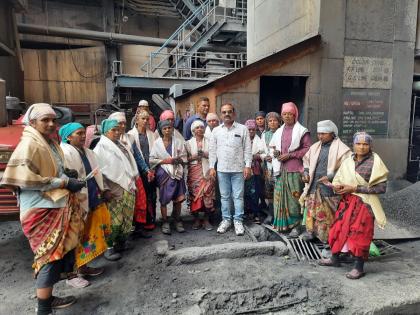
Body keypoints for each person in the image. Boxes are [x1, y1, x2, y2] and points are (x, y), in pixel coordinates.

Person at [0, 103, 86, 315]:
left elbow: (52, 169)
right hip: (40, 210)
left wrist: (66, 173)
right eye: (44, 120)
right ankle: (43, 308)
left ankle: (48, 298)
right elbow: (28, 180)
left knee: (54, 256)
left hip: (53, 204)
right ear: (32, 122)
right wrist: (64, 183)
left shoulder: (48, 142)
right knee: (48, 257)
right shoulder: (30, 144)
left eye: (53, 120)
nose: (50, 124)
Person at [319, 132, 388, 279]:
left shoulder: (375, 162)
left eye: (365, 144)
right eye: (358, 143)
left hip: (365, 203)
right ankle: (335, 258)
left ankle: (358, 267)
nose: (362, 147)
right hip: (346, 201)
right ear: (353, 145)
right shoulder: (348, 161)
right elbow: (339, 179)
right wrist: (337, 186)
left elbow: (381, 188)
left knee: (360, 233)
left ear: (370, 146)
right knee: (338, 229)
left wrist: (355, 188)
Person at [59, 122, 112, 288]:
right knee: (73, 237)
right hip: (75, 201)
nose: (83, 136)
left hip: (91, 197)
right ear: (68, 137)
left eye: (83, 133)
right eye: (78, 133)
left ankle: (83, 267)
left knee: (87, 234)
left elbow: (97, 172)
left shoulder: (87, 151)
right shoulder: (65, 153)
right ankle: (71, 275)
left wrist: (103, 190)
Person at [299, 120, 351, 242]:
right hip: (314, 185)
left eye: (324, 133)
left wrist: (331, 176)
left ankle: (329, 238)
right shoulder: (315, 147)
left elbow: (347, 168)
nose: (320, 136)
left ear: (332, 134)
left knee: (329, 214)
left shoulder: (343, 149)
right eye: (319, 133)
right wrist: (306, 172)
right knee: (312, 210)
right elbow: (306, 162)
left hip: (330, 189)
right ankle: (312, 233)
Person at [93, 119, 137, 258]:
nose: (117, 132)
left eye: (118, 129)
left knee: (127, 218)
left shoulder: (120, 145)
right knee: (114, 221)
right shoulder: (100, 148)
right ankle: (109, 247)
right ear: (105, 132)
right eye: (114, 130)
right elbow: (98, 172)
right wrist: (105, 189)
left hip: (127, 186)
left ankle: (121, 243)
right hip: (113, 190)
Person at [209, 103, 252, 236]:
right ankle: (226, 220)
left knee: (238, 196)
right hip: (222, 169)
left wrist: (248, 165)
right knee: (225, 196)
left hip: (238, 169)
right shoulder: (216, 131)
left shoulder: (242, 129)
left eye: (229, 112)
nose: (226, 114)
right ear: (221, 114)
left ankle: (238, 221)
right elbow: (212, 150)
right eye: (224, 112)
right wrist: (211, 167)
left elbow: (247, 149)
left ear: (234, 113)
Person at [269, 102, 311, 236]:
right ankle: (282, 225)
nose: (287, 117)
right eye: (284, 114)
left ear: (295, 115)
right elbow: (273, 148)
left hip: (295, 169)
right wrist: (276, 154)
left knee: (294, 199)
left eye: (290, 114)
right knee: (278, 198)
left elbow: (307, 149)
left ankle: (296, 226)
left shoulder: (302, 131)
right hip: (281, 170)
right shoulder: (278, 131)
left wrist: (290, 155)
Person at [109, 111, 152, 239]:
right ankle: (123, 235)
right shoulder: (108, 141)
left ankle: (139, 228)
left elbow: (138, 157)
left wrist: (146, 170)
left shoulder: (130, 138)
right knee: (123, 206)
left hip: (134, 176)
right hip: (119, 179)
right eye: (119, 124)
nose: (122, 126)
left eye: (124, 123)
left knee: (141, 202)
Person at [150, 120, 187, 235]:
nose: (167, 130)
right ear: (161, 131)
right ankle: (165, 221)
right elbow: (151, 159)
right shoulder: (157, 143)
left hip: (176, 173)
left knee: (178, 199)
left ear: (172, 129)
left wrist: (179, 160)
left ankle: (177, 220)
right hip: (163, 174)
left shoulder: (178, 142)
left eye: (169, 128)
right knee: (164, 200)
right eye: (164, 129)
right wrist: (166, 160)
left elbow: (184, 157)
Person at [128, 110, 158, 231]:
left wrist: (153, 169)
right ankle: (140, 222)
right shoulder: (131, 135)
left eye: (147, 119)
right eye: (143, 119)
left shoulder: (152, 134)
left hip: (151, 168)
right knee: (141, 196)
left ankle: (151, 219)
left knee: (152, 195)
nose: (145, 121)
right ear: (137, 120)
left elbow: (156, 152)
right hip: (138, 171)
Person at [185, 120, 215, 230]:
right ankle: (197, 220)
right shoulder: (188, 143)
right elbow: (184, 159)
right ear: (193, 130)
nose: (200, 129)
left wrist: (205, 154)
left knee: (208, 194)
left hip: (207, 171)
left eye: (202, 127)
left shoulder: (210, 141)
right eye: (197, 128)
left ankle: (206, 220)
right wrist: (193, 157)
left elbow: (215, 155)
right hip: (194, 173)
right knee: (195, 195)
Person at [260, 112, 281, 223]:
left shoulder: (283, 132)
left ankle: (280, 217)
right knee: (269, 192)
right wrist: (265, 157)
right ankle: (271, 215)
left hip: (280, 168)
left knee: (280, 192)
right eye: (270, 121)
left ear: (279, 122)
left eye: (275, 120)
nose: (272, 123)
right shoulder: (265, 135)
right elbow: (261, 150)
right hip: (268, 169)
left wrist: (273, 156)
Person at [244, 119, 265, 223]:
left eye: (253, 129)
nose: (251, 131)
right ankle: (248, 213)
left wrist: (253, 156)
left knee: (255, 192)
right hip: (244, 169)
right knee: (246, 192)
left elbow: (262, 154)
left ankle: (256, 213)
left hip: (255, 170)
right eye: (249, 129)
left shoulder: (259, 140)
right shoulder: (242, 140)